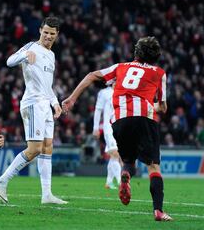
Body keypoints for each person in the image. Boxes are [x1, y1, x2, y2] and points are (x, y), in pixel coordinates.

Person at [62, 36, 173, 221]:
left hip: (120, 119)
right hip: (145, 118)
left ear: (136, 53)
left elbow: (91, 76)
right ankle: (159, 211)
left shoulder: (120, 67)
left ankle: (125, 174)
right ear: (156, 56)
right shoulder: (159, 73)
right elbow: (163, 107)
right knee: (153, 166)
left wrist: (72, 98)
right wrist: (149, 105)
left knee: (128, 159)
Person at [0, 17, 67, 205]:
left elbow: (47, 84)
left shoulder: (51, 55)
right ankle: (2, 180)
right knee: (34, 149)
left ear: (57, 34)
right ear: (40, 30)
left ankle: (47, 194)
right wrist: (24, 56)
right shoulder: (31, 46)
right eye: (45, 32)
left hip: (45, 104)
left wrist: (55, 102)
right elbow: (9, 61)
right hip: (33, 103)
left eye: (52, 33)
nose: (48, 36)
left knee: (47, 147)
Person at [92, 85, 121, 189]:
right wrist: (95, 127)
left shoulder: (123, 90)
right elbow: (98, 110)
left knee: (116, 156)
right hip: (109, 127)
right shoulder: (104, 93)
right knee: (115, 153)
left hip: (120, 127)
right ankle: (120, 183)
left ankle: (108, 182)